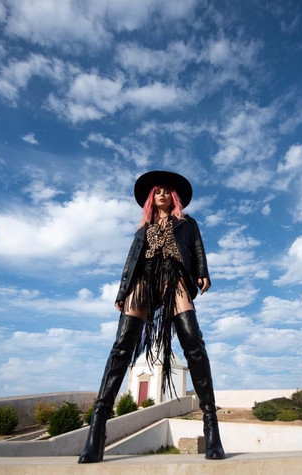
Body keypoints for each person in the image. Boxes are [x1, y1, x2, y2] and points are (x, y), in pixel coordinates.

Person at [78, 170, 225, 463]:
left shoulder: (187, 223)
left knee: (193, 341)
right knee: (122, 346)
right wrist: (122, 292)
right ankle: (98, 427)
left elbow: (197, 249)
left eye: (167, 191)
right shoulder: (142, 229)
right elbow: (131, 261)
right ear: (151, 197)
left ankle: (211, 425)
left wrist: (202, 272)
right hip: (143, 278)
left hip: (174, 275)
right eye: (157, 191)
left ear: (174, 197)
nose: (162, 194)